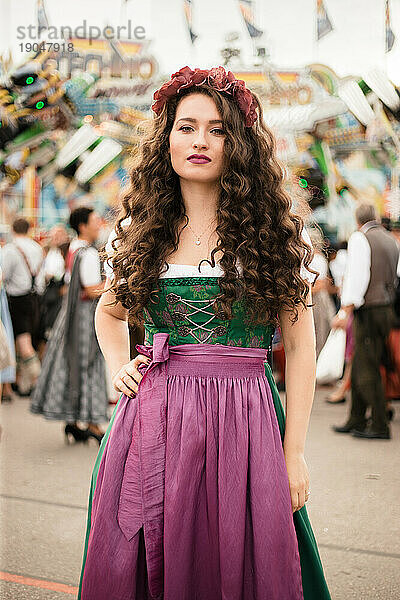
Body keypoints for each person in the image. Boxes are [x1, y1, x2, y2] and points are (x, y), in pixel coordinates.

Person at [78, 66, 331, 600]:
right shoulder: (139, 232)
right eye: (186, 126)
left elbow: (302, 345)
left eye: (217, 129)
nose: (200, 140)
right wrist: (118, 364)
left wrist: (295, 451)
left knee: (245, 561)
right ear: (166, 139)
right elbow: (109, 312)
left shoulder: (275, 235)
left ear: (237, 144)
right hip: (154, 421)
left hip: (246, 420)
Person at [30, 207, 108, 444]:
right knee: (89, 365)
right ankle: (93, 424)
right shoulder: (89, 253)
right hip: (85, 317)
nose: (100, 224)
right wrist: (115, 286)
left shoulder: (74, 248)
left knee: (71, 363)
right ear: (83, 226)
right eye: (95, 220)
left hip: (71, 315)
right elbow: (92, 288)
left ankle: (73, 423)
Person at [332, 204, 400, 440]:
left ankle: (380, 423)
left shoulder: (361, 238)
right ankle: (357, 418)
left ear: (357, 219)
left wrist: (344, 310)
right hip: (386, 308)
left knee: (365, 367)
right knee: (364, 362)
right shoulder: (390, 239)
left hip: (369, 309)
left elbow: (357, 277)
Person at [1, 217, 44, 394]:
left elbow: (3, 276)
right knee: (25, 341)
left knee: (22, 342)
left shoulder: (11, 249)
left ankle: (38, 381)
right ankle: (16, 383)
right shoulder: (37, 248)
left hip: (16, 299)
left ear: (13, 229)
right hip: (34, 298)